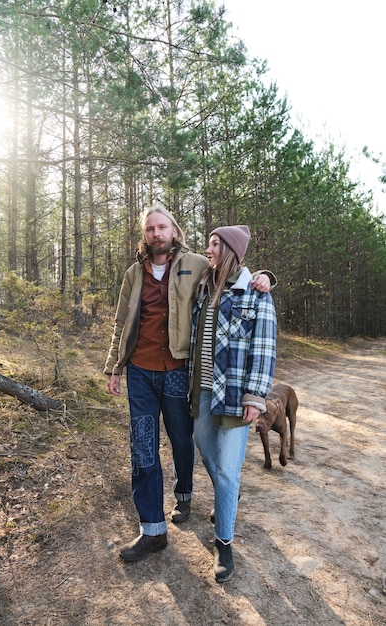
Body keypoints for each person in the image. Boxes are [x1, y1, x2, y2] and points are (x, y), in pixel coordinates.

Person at [104, 206, 275, 562]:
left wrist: (264, 277)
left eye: (162, 226)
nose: (156, 233)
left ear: (175, 231)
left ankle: (186, 495)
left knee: (184, 438)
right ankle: (152, 530)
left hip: (178, 371)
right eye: (150, 228)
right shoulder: (134, 274)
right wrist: (113, 367)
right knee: (144, 449)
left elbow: (233, 272)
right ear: (145, 235)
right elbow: (121, 322)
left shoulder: (196, 263)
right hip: (139, 372)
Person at [188, 225, 277, 583]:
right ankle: (230, 491)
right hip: (203, 392)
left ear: (230, 250)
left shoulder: (255, 294)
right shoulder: (202, 288)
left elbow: (265, 349)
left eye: (214, 244)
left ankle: (223, 542)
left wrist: (256, 398)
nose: (207, 250)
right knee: (208, 454)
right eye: (208, 243)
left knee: (226, 470)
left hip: (236, 396)